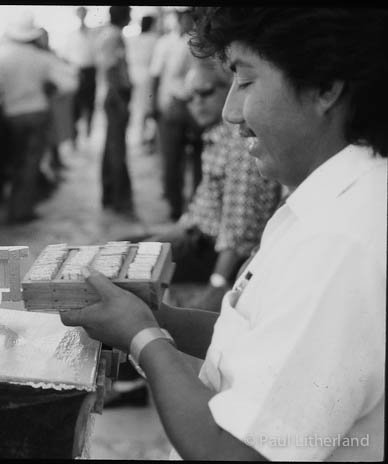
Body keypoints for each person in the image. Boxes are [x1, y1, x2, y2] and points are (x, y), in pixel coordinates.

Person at [60, 7, 386, 461]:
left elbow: (232, 450)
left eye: (246, 81)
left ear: (325, 87)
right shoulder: (325, 203)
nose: (232, 112)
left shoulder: (339, 242)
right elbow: (258, 337)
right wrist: (159, 318)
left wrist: (143, 338)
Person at [127, 58, 282, 312]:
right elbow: (202, 206)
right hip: (195, 236)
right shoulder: (216, 134)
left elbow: (238, 226)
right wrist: (164, 238)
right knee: (122, 250)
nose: (196, 103)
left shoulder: (239, 142)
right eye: (190, 97)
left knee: (126, 278)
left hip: (215, 252)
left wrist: (217, 283)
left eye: (205, 92)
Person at [0, 12, 77, 224]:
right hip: (37, 113)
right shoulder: (41, 58)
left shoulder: (1, 55)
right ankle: (22, 210)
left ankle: (15, 207)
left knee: (17, 162)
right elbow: (70, 82)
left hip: (12, 115)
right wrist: (51, 92)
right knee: (30, 163)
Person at [149, 8, 203, 221]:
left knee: (200, 159)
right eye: (184, 18)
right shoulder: (164, 43)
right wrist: (152, 105)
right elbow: (155, 75)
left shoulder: (199, 42)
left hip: (195, 105)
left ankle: (197, 208)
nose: (187, 21)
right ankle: (175, 206)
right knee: (171, 160)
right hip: (171, 105)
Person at [96, 6, 136, 219]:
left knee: (112, 148)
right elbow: (112, 69)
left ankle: (110, 196)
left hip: (114, 96)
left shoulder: (111, 34)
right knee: (116, 150)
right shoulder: (113, 36)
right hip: (115, 97)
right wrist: (121, 101)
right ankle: (119, 199)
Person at [62, 6, 97, 146]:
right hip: (76, 72)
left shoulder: (92, 33)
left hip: (90, 71)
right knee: (76, 106)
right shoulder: (71, 35)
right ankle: (74, 136)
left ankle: (88, 133)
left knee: (90, 104)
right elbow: (66, 57)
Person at [126, 13, 160, 148]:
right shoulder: (154, 39)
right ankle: (146, 137)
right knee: (147, 108)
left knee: (138, 107)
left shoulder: (134, 39)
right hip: (147, 75)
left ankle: (140, 137)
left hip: (134, 74)